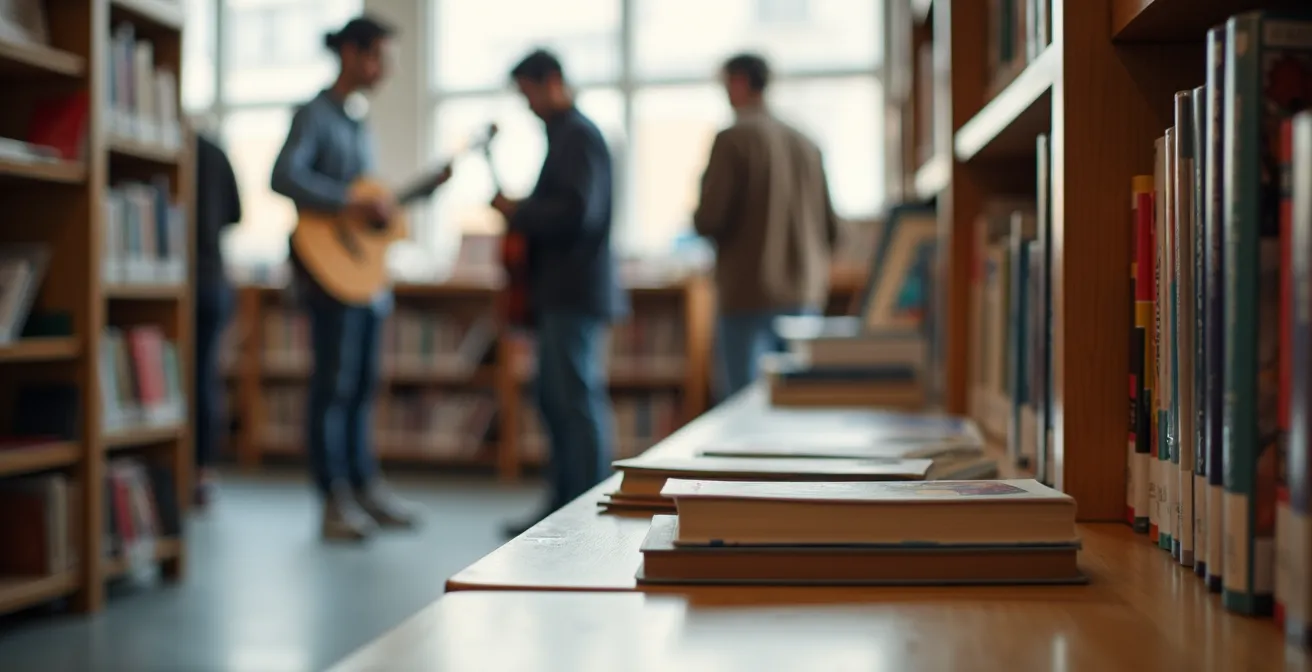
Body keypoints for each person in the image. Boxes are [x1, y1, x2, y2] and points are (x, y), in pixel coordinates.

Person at [271, 16, 450, 541]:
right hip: (328, 276)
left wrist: (409, 195)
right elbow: (284, 175)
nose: (386, 69)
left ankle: (364, 487)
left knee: (364, 385)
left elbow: (370, 208)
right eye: (378, 56)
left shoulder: (356, 121)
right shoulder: (314, 114)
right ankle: (333, 498)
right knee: (334, 385)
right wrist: (350, 198)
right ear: (351, 53)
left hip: (365, 274)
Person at [490, 49, 627, 537]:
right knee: (556, 398)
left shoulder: (578, 136)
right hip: (562, 293)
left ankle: (585, 505)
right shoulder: (569, 137)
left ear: (550, 82)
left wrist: (518, 212)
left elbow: (576, 213)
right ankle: (564, 501)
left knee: (574, 399)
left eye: (528, 93)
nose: (527, 106)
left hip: (574, 292)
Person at [693, 53, 840, 400]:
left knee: (743, 407)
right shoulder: (807, 142)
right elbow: (832, 228)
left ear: (740, 81)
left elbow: (710, 218)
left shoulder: (733, 139)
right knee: (798, 402)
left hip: (748, 292)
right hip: (805, 291)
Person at [194, 130, 241, 508]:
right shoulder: (213, 148)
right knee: (205, 378)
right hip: (214, 278)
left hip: (189, 278)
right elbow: (235, 215)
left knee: (191, 379)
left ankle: (189, 470)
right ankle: (202, 472)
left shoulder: (179, 147)